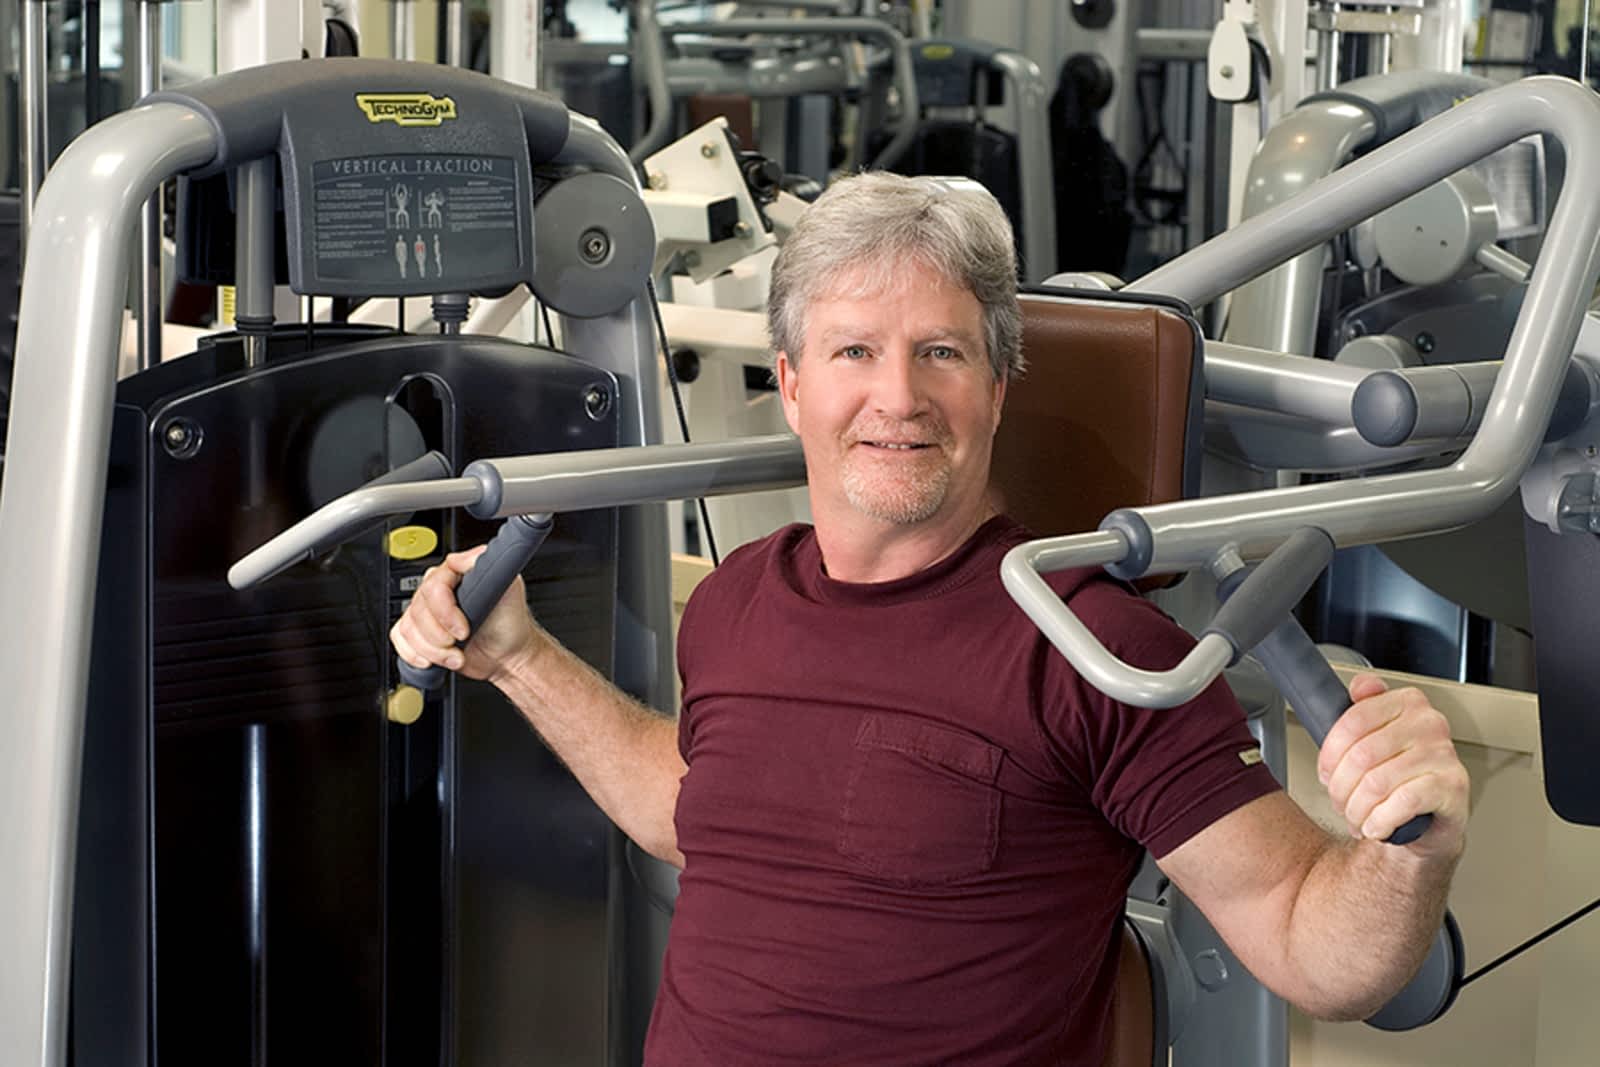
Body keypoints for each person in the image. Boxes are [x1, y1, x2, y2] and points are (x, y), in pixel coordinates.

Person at [390, 172, 1470, 1065]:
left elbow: (1308, 940)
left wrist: (1409, 848)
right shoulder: (733, 602)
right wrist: (520, 656)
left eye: (941, 352)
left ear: (997, 387)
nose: (898, 397)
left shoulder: (1095, 650)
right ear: (793, 384)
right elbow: (697, 810)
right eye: (855, 351)